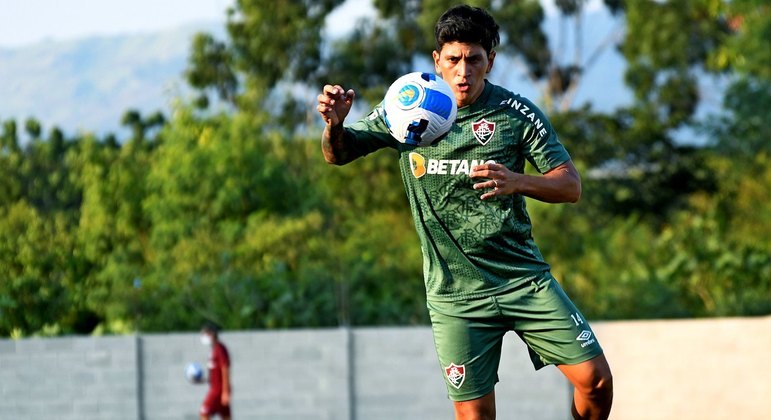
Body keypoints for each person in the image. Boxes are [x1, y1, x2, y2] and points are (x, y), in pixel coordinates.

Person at [316, 4, 613, 420]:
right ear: (437, 60)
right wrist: (333, 125)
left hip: (522, 280)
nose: (463, 71)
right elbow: (339, 153)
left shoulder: (515, 114)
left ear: (489, 60)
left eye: (474, 60)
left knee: (596, 381)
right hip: (455, 295)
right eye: (453, 59)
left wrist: (518, 181)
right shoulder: (407, 109)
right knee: (475, 417)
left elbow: (570, 185)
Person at [199, 322, 232, 420]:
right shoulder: (213, 350)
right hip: (215, 387)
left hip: (218, 390)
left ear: (212, 334)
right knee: (225, 416)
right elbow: (214, 373)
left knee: (204, 412)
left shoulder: (220, 349)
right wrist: (202, 380)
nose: (203, 336)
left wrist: (225, 391)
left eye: (205, 333)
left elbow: (225, 368)